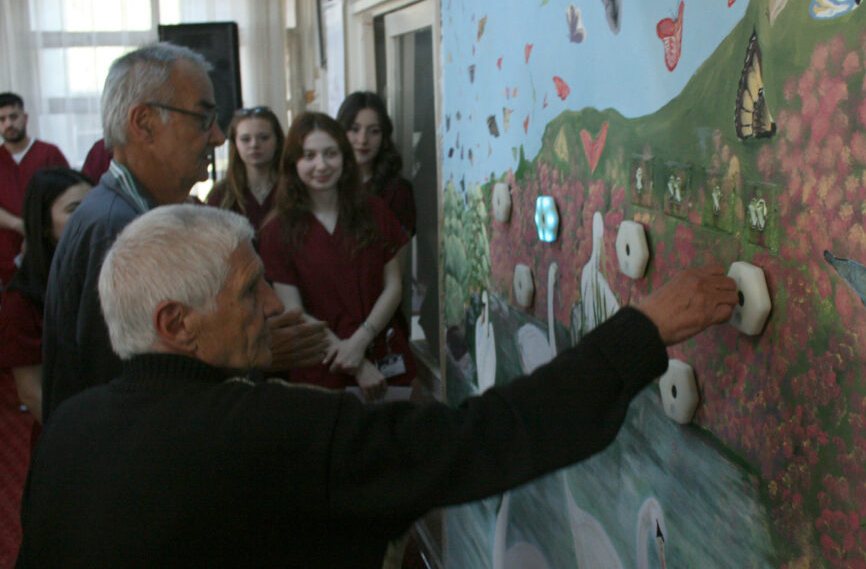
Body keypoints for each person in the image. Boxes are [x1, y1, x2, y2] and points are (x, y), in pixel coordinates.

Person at [16, 204, 738, 568]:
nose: (273, 306)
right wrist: (643, 331)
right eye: (249, 292)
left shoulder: (71, 428)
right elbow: (486, 439)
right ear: (176, 323)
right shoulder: (275, 431)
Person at [40, 42, 325, 422]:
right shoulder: (117, 232)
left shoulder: (134, 212)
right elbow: (132, 393)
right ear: (144, 123)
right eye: (203, 119)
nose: (218, 138)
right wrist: (247, 351)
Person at [259, 112, 413, 399]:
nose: (321, 165)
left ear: (344, 158)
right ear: (293, 163)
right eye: (309, 155)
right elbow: (295, 312)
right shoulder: (277, 231)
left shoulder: (374, 210)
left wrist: (360, 342)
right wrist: (355, 363)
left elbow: (393, 286)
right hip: (321, 366)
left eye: (331, 154)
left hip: (384, 358)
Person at [0, 168, 93, 425]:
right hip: (70, 427)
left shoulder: (103, 270)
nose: (89, 217)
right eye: (74, 210)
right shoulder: (21, 300)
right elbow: (32, 393)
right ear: (43, 224)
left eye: (92, 206)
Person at [0, 92, 69, 287]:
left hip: (49, 252)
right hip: (7, 259)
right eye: (2, 119)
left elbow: (68, 200)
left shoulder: (49, 153)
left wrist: (35, 231)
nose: (8, 124)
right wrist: (20, 226)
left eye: (13, 117)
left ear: (25, 118)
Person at [336, 91, 416, 237]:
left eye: (374, 131)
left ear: (383, 136)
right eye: (354, 129)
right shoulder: (328, 184)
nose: (362, 140)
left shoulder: (397, 191)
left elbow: (401, 249)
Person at [206, 106, 283, 232]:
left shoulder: (294, 190)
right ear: (235, 143)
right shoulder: (221, 195)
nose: (254, 145)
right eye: (245, 139)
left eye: (264, 137)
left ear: (277, 140)